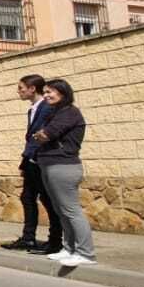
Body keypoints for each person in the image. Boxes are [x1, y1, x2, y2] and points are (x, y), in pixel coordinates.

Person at [31, 79, 94, 269]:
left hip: (64, 166)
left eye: (51, 92)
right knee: (60, 210)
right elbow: (38, 134)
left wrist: (42, 134)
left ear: (63, 93)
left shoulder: (69, 113)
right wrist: (40, 134)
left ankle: (85, 253)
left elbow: (46, 134)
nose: (47, 95)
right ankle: (69, 248)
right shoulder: (55, 112)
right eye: (46, 92)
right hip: (50, 165)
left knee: (71, 210)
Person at [0, 75, 63, 255]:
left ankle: (55, 240)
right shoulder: (33, 109)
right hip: (30, 159)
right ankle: (28, 237)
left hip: (40, 160)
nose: (19, 91)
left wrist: (32, 158)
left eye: (21, 88)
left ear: (32, 88)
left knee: (48, 200)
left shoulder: (46, 107)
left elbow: (39, 136)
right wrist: (24, 161)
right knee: (27, 197)